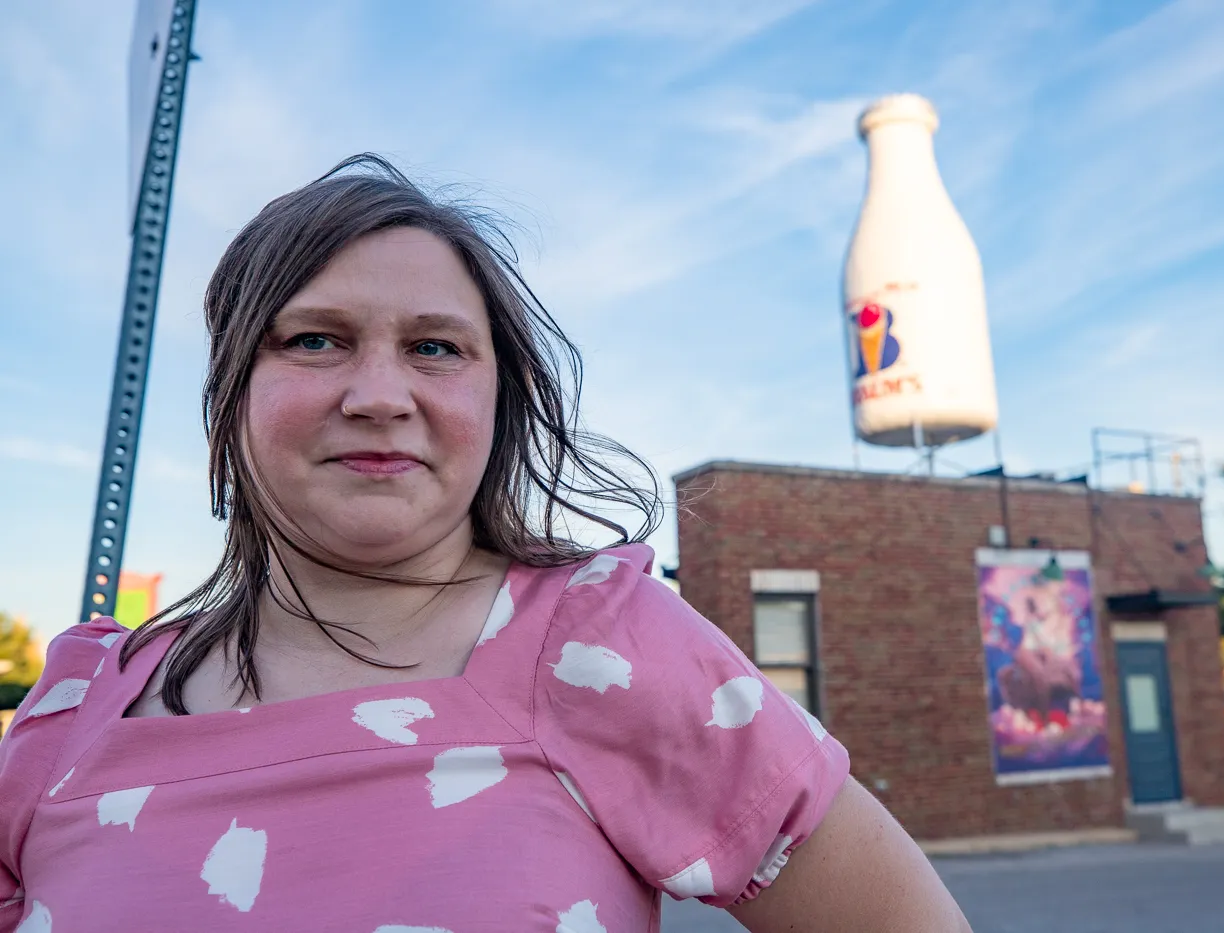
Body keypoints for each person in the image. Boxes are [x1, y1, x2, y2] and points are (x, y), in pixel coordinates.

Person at [0, 155, 972, 933]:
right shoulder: (76, 708)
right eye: (313, 339)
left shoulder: (605, 647)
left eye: (434, 347)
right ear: (231, 392)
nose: (379, 394)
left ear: (493, 401)